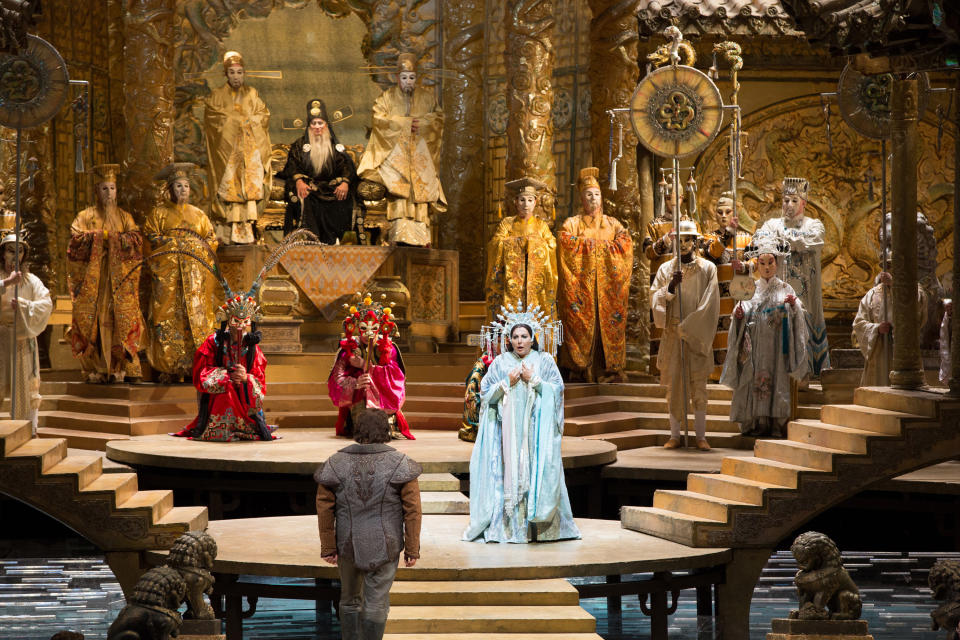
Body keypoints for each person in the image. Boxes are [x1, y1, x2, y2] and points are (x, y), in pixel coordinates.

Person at [463, 305, 579, 543]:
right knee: (509, 473)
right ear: (509, 339)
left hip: (536, 432)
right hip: (507, 435)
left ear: (532, 338)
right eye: (515, 337)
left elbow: (557, 391)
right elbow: (485, 395)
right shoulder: (501, 363)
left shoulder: (544, 361)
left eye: (524, 336)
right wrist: (506, 382)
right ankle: (508, 529)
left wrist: (534, 381)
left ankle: (541, 529)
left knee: (536, 472)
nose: (519, 341)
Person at [315, 408, 422, 640]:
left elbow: (324, 507)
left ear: (356, 430)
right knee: (376, 603)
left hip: (347, 543)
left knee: (350, 601)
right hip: (387, 544)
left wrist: (328, 546)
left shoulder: (335, 463)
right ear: (387, 430)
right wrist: (412, 549)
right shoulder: (400, 463)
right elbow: (412, 510)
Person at [721, 238, 808, 437]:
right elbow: (743, 307)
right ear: (757, 264)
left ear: (777, 263)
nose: (767, 267)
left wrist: (793, 306)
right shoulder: (750, 288)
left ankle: (777, 424)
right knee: (755, 382)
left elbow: (798, 314)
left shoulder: (786, 288)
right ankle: (756, 423)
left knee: (777, 381)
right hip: (756, 346)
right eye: (762, 263)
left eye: (771, 262)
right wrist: (739, 314)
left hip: (779, 346)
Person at [356, 52, 445, 246]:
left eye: (412, 78)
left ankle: (421, 235)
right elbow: (379, 120)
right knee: (399, 188)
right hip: (395, 155)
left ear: (416, 78)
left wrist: (421, 124)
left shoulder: (427, 98)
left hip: (420, 155)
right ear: (397, 78)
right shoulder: (386, 98)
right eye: (404, 78)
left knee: (419, 190)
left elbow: (438, 119)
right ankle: (398, 233)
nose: (408, 82)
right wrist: (404, 124)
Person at [67, 164, 144, 384]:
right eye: (104, 189)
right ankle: (96, 367)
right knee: (95, 321)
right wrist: (103, 237)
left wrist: (115, 239)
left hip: (119, 280)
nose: (108, 194)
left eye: (112, 189)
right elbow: (75, 240)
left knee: (124, 320)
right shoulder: (85, 215)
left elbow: (136, 239)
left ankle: (127, 366)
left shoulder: (124, 216)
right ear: (96, 191)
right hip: (96, 280)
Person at [143, 163, 219, 383]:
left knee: (196, 318)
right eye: (178, 186)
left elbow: (211, 242)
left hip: (195, 280)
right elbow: (151, 238)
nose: (183, 190)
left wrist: (193, 248)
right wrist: (174, 244)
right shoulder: (159, 214)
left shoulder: (199, 215)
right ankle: (169, 367)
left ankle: (197, 367)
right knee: (167, 316)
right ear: (170, 189)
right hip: (169, 277)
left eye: (186, 186)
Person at [557, 166, 633, 383]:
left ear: (601, 197)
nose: (593, 198)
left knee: (609, 324)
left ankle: (609, 369)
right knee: (580, 323)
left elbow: (625, 243)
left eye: (596, 194)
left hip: (608, 288)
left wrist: (593, 248)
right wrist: (597, 248)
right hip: (583, 287)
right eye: (588, 194)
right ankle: (579, 368)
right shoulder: (572, 223)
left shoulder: (613, 223)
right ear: (582, 197)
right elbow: (565, 242)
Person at [650, 220, 719, 450]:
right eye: (679, 239)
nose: (683, 244)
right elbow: (655, 298)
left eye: (688, 239)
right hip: (673, 333)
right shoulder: (665, 269)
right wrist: (670, 288)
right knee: (674, 387)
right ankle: (675, 435)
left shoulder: (708, 269)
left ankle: (700, 436)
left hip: (696, 334)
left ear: (695, 241)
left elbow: (711, 303)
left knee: (699, 385)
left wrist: (692, 326)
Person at [749, 177, 829, 375]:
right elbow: (759, 240)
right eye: (786, 200)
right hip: (779, 288)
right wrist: (789, 242)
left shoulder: (814, 225)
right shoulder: (771, 224)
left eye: (794, 200)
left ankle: (809, 371)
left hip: (805, 288)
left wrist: (784, 241)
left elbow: (812, 242)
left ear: (804, 202)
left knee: (804, 322)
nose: (789, 205)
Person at [172, 292, 276, 441]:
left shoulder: (254, 349)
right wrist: (226, 375)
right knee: (227, 389)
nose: (240, 327)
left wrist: (246, 378)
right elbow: (201, 373)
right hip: (220, 390)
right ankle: (220, 428)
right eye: (236, 321)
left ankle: (244, 426)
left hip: (243, 395)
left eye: (244, 322)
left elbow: (260, 379)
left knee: (238, 386)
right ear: (227, 321)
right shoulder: (213, 343)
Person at [203, 50, 272, 245]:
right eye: (232, 73)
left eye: (240, 72)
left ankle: (249, 230)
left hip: (249, 150)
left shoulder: (252, 93)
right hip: (228, 152)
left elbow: (263, 116)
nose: (236, 77)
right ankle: (225, 234)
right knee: (229, 187)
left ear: (244, 73)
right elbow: (214, 119)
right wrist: (235, 122)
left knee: (248, 189)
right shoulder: (216, 95)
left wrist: (249, 122)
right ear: (226, 74)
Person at [328, 295, 413, 439]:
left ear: (381, 327)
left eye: (374, 328)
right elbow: (336, 378)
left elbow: (397, 379)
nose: (369, 333)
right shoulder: (348, 349)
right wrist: (354, 383)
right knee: (364, 427)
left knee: (379, 429)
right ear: (356, 327)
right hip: (358, 398)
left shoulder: (389, 348)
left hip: (382, 399)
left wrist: (365, 366)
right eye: (363, 328)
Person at [277, 99, 357, 244]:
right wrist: (299, 181)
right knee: (305, 198)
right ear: (309, 126)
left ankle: (334, 242)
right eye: (314, 124)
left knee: (343, 199)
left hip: (331, 188)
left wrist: (345, 183)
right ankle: (310, 241)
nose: (317, 127)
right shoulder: (300, 145)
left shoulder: (335, 146)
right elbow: (292, 166)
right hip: (309, 187)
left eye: (320, 123)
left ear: (326, 125)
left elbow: (347, 166)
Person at [0, 230, 53, 434]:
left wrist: (23, 305)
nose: (15, 256)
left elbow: (45, 304)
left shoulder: (31, 281)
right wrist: (7, 284)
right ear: (3, 253)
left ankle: (26, 431)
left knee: (23, 390)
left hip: (21, 340)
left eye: (20, 251)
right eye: (11, 251)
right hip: (1, 337)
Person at [484, 176, 558, 320]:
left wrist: (534, 245)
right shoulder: (508, 223)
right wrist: (518, 244)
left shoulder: (541, 225)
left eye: (530, 200)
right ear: (516, 202)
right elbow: (495, 243)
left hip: (535, 280)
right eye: (522, 200)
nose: (526, 204)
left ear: (535, 202)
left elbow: (551, 245)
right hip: (510, 280)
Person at [852, 271, 926, 387]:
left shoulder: (913, 289)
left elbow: (918, 308)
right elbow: (858, 323)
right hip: (880, 349)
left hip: (904, 346)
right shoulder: (872, 294)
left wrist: (894, 285)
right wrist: (876, 328)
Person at [702, 192, 752, 265]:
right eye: (720, 212)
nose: (724, 216)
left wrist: (745, 266)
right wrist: (727, 234)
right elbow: (713, 253)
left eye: (728, 212)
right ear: (715, 215)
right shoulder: (709, 237)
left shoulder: (746, 238)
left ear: (735, 214)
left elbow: (755, 259)